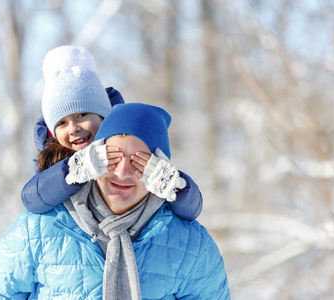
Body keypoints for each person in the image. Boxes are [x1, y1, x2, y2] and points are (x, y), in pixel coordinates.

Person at [0, 102, 230, 299]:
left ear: (159, 170)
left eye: (139, 162)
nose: (122, 172)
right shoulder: (36, 229)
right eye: (112, 157)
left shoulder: (191, 245)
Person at [21, 45, 202, 221]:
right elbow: (32, 199)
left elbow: (192, 209)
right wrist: (72, 170)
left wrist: (175, 187)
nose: (73, 128)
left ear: (104, 115)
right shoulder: (52, 160)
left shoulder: (130, 141)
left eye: (82, 114)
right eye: (61, 123)